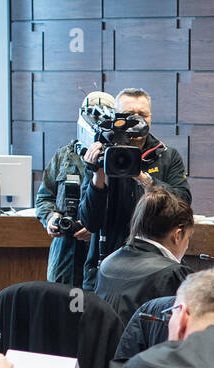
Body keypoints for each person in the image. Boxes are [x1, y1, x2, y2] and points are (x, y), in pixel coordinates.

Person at [78, 87, 191, 290]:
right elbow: (90, 222)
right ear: (116, 117)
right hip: (105, 271)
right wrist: (98, 176)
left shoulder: (166, 155)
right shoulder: (104, 155)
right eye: (129, 115)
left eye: (143, 114)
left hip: (154, 272)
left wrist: (143, 178)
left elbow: (183, 203)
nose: (137, 120)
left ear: (150, 117)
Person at [36, 91, 107, 288]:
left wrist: (94, 228)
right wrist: (50, 218)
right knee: (61, 307)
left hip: (101, 250)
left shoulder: (115, 160)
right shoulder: (64, 156)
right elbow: (44, 198)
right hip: (65, 252)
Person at [93, 188, 193, 322]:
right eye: (188, 237)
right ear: (177, 235)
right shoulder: (173, 273)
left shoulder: (107, 263)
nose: (187, 245)